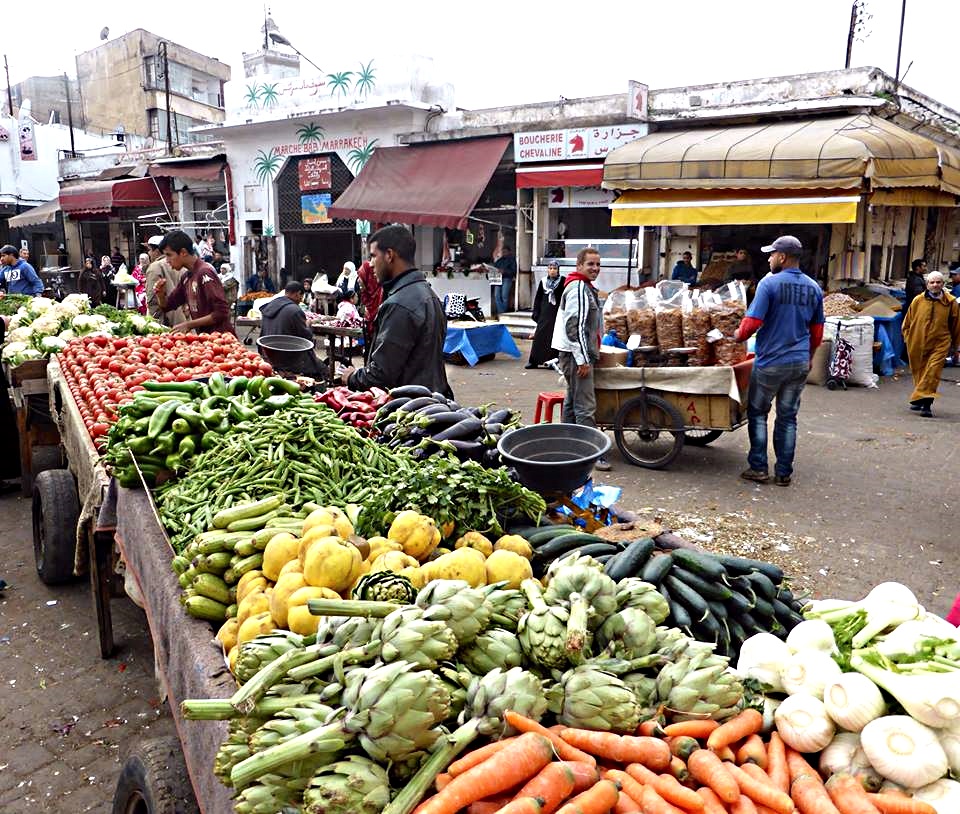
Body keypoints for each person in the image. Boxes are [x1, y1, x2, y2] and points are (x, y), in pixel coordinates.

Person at [733, 235, 824, 486]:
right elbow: (817, 331)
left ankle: (759, 468)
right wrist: (809, 358)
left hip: (771, 362)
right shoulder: (813, 287)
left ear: (782, 257)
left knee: (759, 413)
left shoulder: (769, 284)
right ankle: (784, 473)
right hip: (798, 362)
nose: (769, 258)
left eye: (772, 254)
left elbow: (752, 323)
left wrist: (735, 335)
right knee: (788, 417)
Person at [341, 225, 452, 396]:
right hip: (432, 400)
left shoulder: (399, 304)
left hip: (410, 406)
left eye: (373, 256)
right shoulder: (429, 294)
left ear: (389, 255)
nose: (370, 264)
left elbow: (381, 375)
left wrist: (352, 377)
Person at [551, 248, 610, 471]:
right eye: (590, 264)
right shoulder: (577, 288)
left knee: (572, 400)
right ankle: (591, 454)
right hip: (575, 355)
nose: (595, 269)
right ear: (579, 267)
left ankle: (566, 445)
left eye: (597, 264)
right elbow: (575, 327)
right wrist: (583, 359)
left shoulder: (583, 286)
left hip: (574, 354)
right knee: (585, 405)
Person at [901, 271, 960, 418]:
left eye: (938, 282)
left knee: (932, 372)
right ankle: (919, 397)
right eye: (932, 282)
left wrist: (956, 346)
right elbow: (907, 322)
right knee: (920, 371)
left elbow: (956, 325)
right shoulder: (918, 300)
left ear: (943, 284)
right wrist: (908, 338)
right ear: (927, 285)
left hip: (940, 343)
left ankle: (926, 404)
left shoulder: (950, 302)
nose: (935, 285)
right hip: (918, 341)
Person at [153, 229, 234, 335]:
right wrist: (160, 295)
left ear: (183, 252)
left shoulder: (205, 273)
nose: (167, 260)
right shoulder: (186, 277)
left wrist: (189, 324)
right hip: (206, 342)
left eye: (169, 255)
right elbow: (167, 306)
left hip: (222, 340)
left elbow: (222, 312)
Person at [259, 281, 323, 377]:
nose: (300, 301)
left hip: (267, 355)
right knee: (323, 369)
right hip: (288, 359)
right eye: (301, 297)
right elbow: (306, 339)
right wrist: (308, 325)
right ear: (297, 294)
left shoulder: (269, 306)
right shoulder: (295, 310)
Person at [526, 260, 565, 369]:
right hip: (544, 313)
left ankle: (552, 362)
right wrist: (536, 312)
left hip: (556, 314)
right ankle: (533, 361)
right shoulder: (543, 282)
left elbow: (564, 297)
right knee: (539, 336)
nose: (552, 271)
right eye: (550, 268)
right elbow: (538, 298)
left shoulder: (562, 281)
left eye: (554, 269)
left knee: (553, 337)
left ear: (558, 270)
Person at [143, 236, 186, 327]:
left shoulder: (154, 267)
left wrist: (154, 322)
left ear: (157, 251)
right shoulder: (182, 264)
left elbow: (152, 298)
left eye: (150, 250)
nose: (149, 253)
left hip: (166, 322)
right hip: (185, 320)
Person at [356, 259, 383, 351]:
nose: (358, 280)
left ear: (369, 277)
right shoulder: (367, 297)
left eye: (361, 276)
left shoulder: (381, 295)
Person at [494, 245, 518, 315]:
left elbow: (513, 271)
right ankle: (501, 312)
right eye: (503, 252)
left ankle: (502, 313)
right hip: (498, 279)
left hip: (507, 278)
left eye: (505, 252)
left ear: (509, 252)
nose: (504, 253)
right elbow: (495, 267)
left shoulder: (512, 260)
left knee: (504, 296)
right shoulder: (500, 260)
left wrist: (504, 271)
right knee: (496, 295)